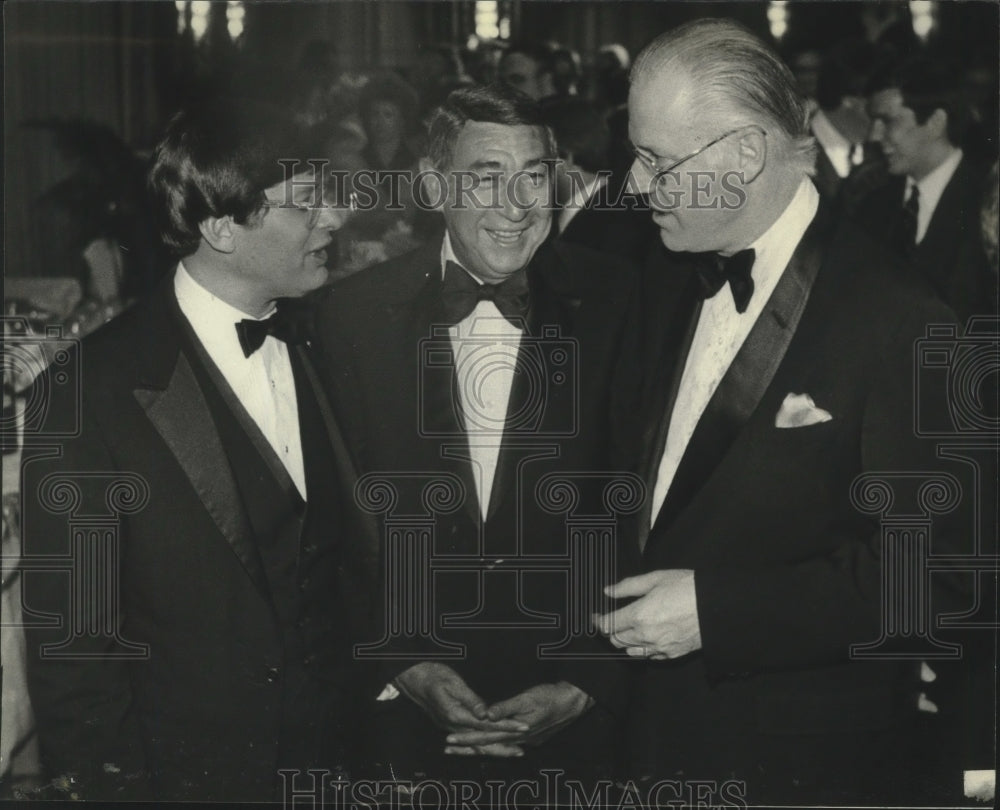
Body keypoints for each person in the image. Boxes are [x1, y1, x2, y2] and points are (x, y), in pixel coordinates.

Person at [595, 19, 975, 805]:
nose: (636, 183)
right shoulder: (666, 278)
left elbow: (937, 577)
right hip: (653, 742)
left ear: (744, 153)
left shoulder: (902, 316)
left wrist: (718, 612)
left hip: (802, 767)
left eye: (659, 160)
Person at [21, 100, 379, 802]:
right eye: (306, 205)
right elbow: (75, 658)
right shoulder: (86, 394)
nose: (334, 220)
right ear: (221, 228)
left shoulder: (332, 342)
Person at [311, 84, 635, 786]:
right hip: (401, 724)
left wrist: (589, 678)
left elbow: (646, 514)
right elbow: (327, 531)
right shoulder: (348, 321)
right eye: (486, 177)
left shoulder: (625, 307)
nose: (517, 206)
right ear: (432, 185)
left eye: (532, 176)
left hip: (574, 724)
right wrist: (403, 662)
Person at [857, 54, 996, 321]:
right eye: (873, 121)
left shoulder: (989, 203)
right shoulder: (870, 205)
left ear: (935, 123)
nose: (873, 135)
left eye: (887, 121)